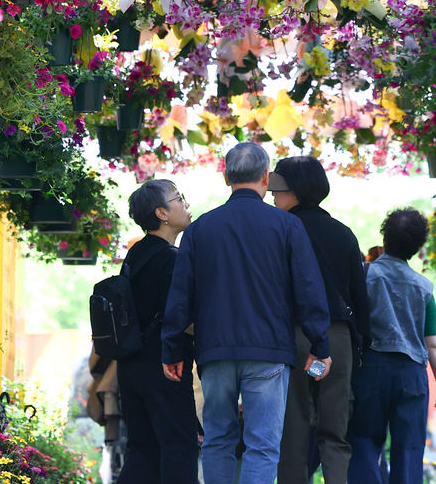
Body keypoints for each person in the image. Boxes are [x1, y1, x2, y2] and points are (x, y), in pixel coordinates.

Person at [161, 141, 332, 484]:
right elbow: (308, 289)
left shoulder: (199, 230)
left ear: (226, 178)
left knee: (218, 440)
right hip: (269, 351)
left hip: (215, 351)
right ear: (266, 177)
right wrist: (320, 344)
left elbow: (180, 296)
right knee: (263, 445)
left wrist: (173, 348)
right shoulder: (287, 226)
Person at [270, 156, 370, 484]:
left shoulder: (280, 231)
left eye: (278, 189)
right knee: (334, 431)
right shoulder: (343, 234)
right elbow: (360, 297)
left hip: (294, 341)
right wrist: (360, 345)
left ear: (295, 191)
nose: (273, 196)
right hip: (337, 343)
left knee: (294, 430)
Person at [347, 207, 436, 484]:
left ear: (385, 236)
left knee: (363, 441)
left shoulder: (363, 276)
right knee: (409, 449)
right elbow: (433, 344)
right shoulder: (424, 287)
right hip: (412, 375)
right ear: (418, 246)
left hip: (369, 369)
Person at [116, 180, 199, 484]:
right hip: (165, 366)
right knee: (180, 446)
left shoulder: (136, 255)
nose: (186, 204)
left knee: (142, 450)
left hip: (130, 364)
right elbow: (181, 315)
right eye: (180, 198)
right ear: (162, 213)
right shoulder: (170, 258)